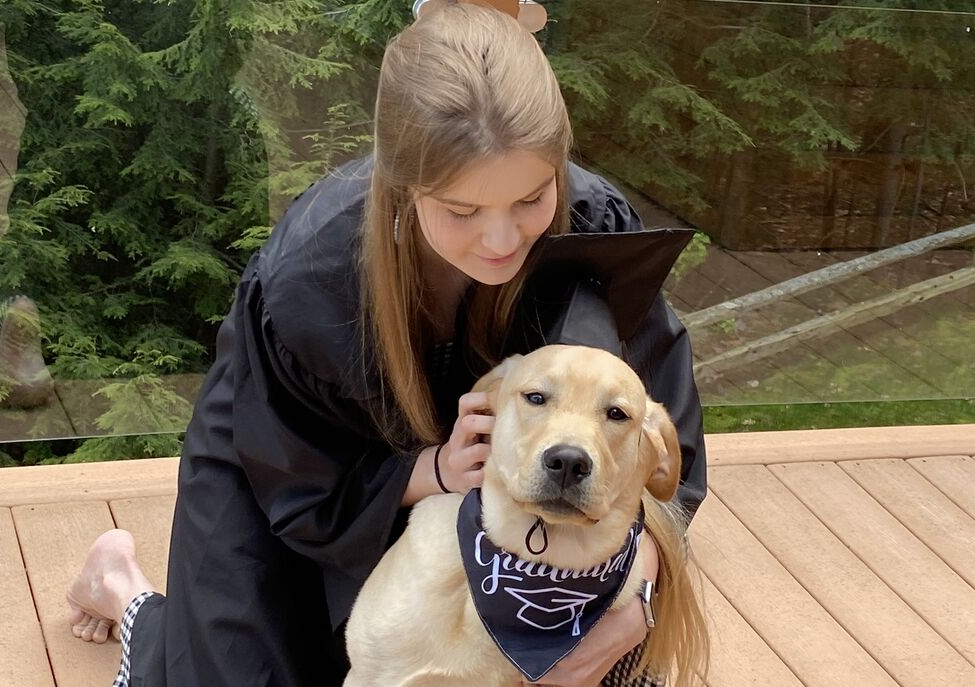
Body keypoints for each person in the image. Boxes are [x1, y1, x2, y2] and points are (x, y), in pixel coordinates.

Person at [65, 2, 707, 685]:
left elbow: (664, 438)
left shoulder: (592, 224)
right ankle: (122, 587)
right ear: (404, 185)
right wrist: (429, 469)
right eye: (461, 210)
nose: (501, 241)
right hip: (291, 466)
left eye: (531, 198)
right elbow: (298, 481)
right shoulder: (307, 282)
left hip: (498, 509)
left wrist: (640, 584)